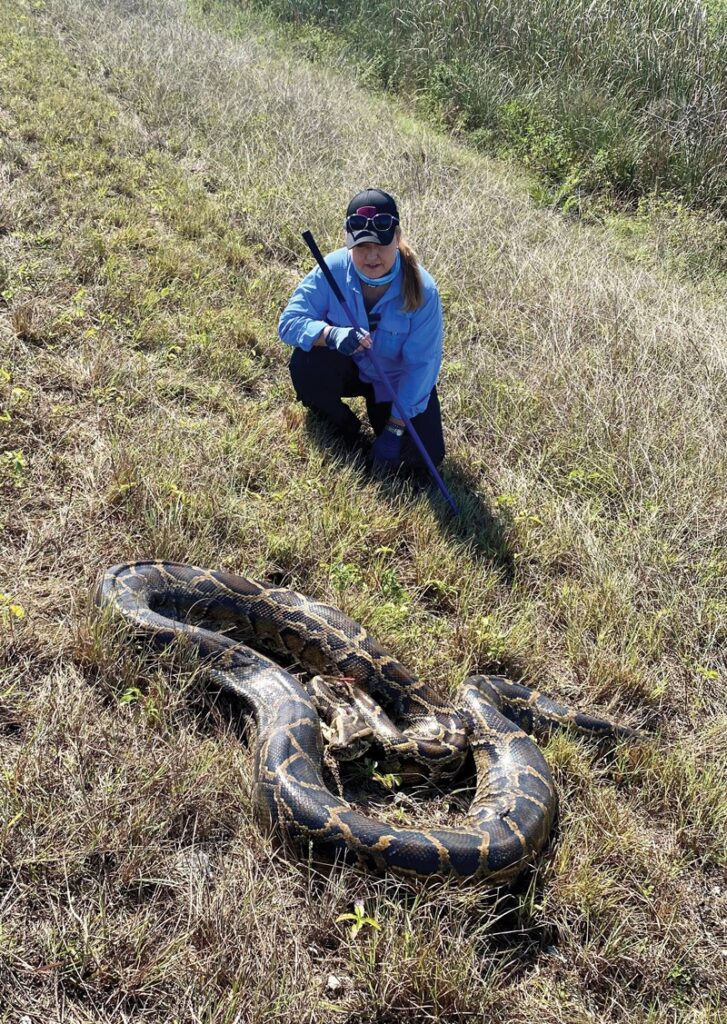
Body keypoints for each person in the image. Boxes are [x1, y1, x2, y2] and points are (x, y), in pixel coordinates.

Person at [278, 188, 445, 471]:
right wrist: (330, 335)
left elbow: (421, 367)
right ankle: (346, 429)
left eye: (380, 244)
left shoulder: (424, 291)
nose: (371, 256)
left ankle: (385, 430)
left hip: (393, 383)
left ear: (397, 237)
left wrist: (394, 428)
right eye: (362, 246)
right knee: (306, 364)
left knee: (425, 461)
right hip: (350, 369)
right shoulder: (330, 268)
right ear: (348, 243)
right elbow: (289, 323)